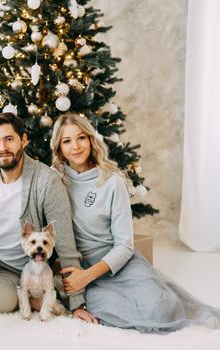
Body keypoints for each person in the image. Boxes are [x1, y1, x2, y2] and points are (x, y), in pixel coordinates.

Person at [50, 112, 220, 332]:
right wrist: (78, 281)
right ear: (59, 147)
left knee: (159, 309)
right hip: (80, 266)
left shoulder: (112, 181)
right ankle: (68, 297)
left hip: (116, 262)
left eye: (81, 137)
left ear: (91, 139)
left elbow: (124, 245)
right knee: (109, 306)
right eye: (67, 141)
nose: (76, 146)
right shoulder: (55, 181)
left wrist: (87, 276)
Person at [0, 112, 95, 322]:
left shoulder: (47, 181)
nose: (3, 148)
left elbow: (65, 244)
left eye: (9, 139)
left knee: (3, 302)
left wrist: (77, 304)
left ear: (23, 140)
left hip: (14, 270)